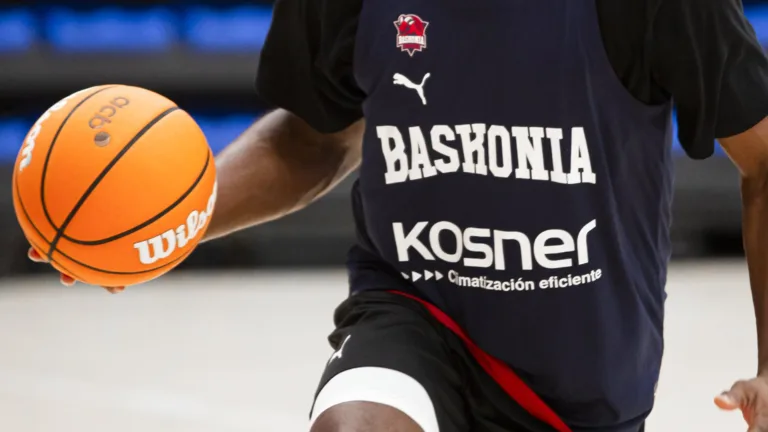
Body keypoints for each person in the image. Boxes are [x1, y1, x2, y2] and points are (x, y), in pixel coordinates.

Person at [27, 0, 768, 429]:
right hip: (415, 314)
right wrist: (168, 221)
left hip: (583, 384)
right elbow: (319, 134)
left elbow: (764, 162)